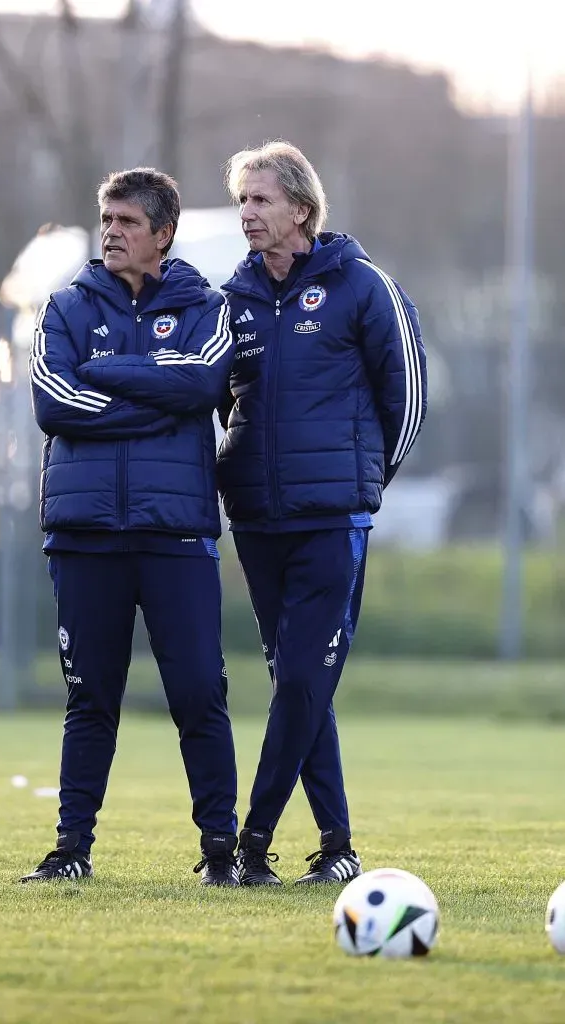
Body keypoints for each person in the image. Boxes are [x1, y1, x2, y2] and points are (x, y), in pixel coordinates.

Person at [216, 141, 428, 886]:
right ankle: (337, 847)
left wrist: (363, 487)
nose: (247, 213)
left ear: (301, 211)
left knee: (303, 679)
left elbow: (407, 396)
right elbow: (213, 404)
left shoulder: (361, 285)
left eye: (261, 200)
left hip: (332, 521)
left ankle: (251, 842)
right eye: (242, 200)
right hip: (257, 522)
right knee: (300, 684)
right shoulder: (229, 297)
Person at [21, 168, 240, 886]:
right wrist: (154, 398)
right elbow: (54, 403)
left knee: (199, 696)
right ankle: (69, 851)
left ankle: (219, 854)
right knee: (90, 699)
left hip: (174, 534)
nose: (111, 231)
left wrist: (108, 370)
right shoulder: (63, 308)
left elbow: (203, 386)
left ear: (162, 234)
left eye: (127, 222)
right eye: (105, 218)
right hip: (84, 536)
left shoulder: (206, 307)